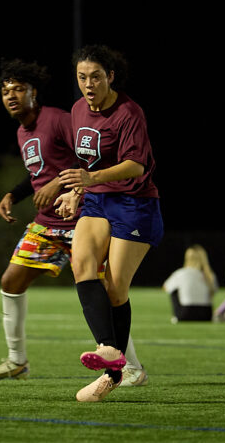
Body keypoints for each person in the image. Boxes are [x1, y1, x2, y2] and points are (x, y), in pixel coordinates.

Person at [0, 59, 148, 385]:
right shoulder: (22, 132)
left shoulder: (58, 119)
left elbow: (89, 157)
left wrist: (61, 185)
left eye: (19, 89)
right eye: (5, 91)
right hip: (46, 224)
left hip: (82, 216)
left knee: (107, 291)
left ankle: (130, 366)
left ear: (34, 92)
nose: (11, 96)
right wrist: (13, 195)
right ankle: (17, 362)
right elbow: (37, 175)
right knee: (11, 281)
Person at [55, 45, 163, 402]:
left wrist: (91, 179)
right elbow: (84, 161)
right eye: (82, 77)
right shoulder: (77, 110)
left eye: (96, 77)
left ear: (110, 77)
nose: (88, 84)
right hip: (98, 200)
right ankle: (109, 353)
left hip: (134, 203)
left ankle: (117, 371)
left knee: (115, 289)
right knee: (82, 265)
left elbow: (136, 165)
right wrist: (76, 191)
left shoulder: (129, 113)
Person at [163, 244, 217, 322]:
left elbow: (166, 287)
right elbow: (214, 291)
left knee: (173, 291)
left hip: (185, 313)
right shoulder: (210, 275)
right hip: (206, 314)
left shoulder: (181, 273)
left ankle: (176, 317)